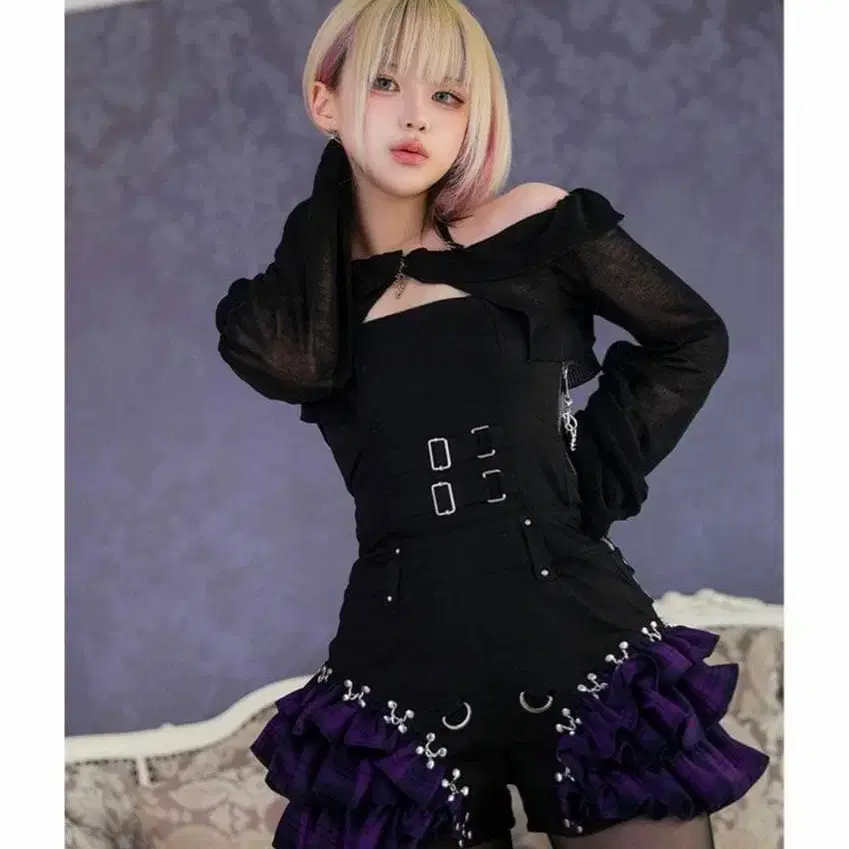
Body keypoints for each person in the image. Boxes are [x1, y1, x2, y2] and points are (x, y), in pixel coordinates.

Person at [215, 1, 769, 847]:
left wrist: (581, 487)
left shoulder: (532, 227)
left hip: (577, 635)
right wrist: (342, 208)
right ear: (324, 100)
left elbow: (690, 337)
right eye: (385, 84)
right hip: (401, 672)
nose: (415, 116)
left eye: (447, 95)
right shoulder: (296, 314)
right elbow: (294, 363)